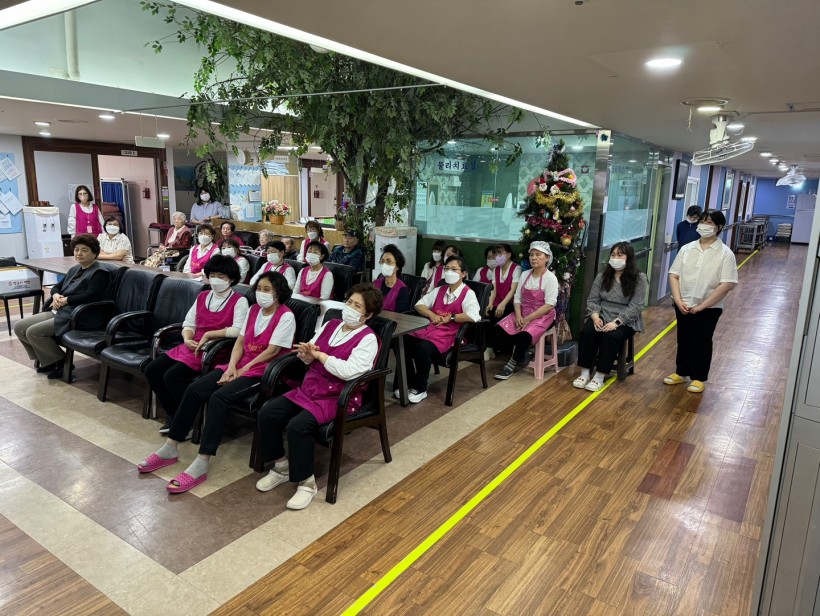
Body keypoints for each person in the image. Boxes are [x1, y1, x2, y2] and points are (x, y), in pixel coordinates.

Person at [138, 271, 296, 493]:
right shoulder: (253, 310)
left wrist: (242, 370)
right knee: (194, 389)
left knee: (219, 398)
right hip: (239, 365)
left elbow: (272, 351)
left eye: (267, 290)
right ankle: (171, 447)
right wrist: (231, 367)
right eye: (259, 289)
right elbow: (240, 342)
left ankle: (202, 461)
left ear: (279, 292)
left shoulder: (286, 316)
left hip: (263, 372)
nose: (261, 293)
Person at [255, 283, 383, 510]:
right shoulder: (331, 325)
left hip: (338, 396)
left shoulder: (368, 338)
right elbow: (311, 355)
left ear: (368, 315)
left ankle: (307, 483)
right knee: (267, 412)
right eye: (350, 302)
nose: (350, 308)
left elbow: (350, 372)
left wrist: (321, 356)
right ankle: (281, 467)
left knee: (298, 426)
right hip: (311, 388)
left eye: (357, 306)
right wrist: (306, 354)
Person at [144, 255, 248, 433]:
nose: (216, 280)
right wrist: (186, 338)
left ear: (231, 279)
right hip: (192, 346)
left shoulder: (240, 301)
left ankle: (187, 421)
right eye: (213, 275)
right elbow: (189, 323)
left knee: (172, 376)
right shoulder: (203, 296)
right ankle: (175, 414)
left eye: (221, 276)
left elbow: (238, 330)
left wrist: (211, 334)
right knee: (152, 369)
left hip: (214, 350)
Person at [14, 235, 110, 379]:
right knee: (19, 327)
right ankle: (48, 359)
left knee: (34, 332)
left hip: (80, 315)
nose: (79, 253)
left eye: (84, 250)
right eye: (76, 250)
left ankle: (62, 363)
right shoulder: (75, 269)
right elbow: (57, 287)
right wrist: (55, 296)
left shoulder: (100, 272)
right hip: (62, 310)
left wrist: (66, 300)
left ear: (95, 253)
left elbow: (92, 296)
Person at [665, 210, 738, 393]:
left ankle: (698, 377)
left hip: (709, 307)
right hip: (683, 303)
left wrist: (702, 306)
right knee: (684, 338)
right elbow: (674, 275)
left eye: (710, 223)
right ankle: (681, 372)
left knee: (702, 341)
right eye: (703, 221)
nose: (704, 225)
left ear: (719, 227)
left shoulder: (725, 254)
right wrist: (678, 300)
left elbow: (727, 284)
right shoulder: (687, 249)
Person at [403, 255, 480, 403]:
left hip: (450, 334)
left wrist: (452, 317)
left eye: (454, 269)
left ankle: (420, 388)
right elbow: (419, 304)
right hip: (431, 328)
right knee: (403, 340)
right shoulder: (440, 289)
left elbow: (473, 315)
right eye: (447, 269)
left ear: (463, 274)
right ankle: (409, 382)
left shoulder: (468, 294)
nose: (449, 272)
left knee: (423, 348)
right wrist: (431, 314)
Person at [573, 241, 647, 391]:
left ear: (629, 257)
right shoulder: (602, 276)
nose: (615, 258)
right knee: (587, 332)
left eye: (620, 255)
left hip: (626, 319)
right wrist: (595, 316)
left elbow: (636, 306)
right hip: (602, 312)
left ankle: (599, 376)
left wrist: (617, 322)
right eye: (613, 255)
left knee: (610, 336)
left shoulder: (639, 278)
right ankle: (585, 373)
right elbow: (593, 299)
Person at [493, 242, 559, 380]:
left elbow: (549, 305)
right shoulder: (525, 274)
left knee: (524, 335)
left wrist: (528, 320)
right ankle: (524, 351)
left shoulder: (550, 278)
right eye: (532, 255)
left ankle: (512, 363)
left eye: (538, 255)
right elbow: (517, 298)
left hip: (543, 315)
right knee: (498, 330)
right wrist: (518, 316)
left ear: (547, 258)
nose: (534, 258)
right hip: (523, 312)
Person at [485, 243, 522, 360]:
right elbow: (494, 290)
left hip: (510, 303)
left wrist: (502, 304)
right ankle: (489, 348)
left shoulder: (516, 268)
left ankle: (494, 347)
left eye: (500, 253)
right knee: (488, 314)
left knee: (499, 316)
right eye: (496, 254)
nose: (497, 256)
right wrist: (490, 303)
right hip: (498, 302)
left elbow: (513, 290)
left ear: (509, 254)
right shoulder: (496, 270)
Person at [373, 243, 410, 312]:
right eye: (382, 261)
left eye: (388, 261)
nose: (384, 264)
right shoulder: (375, 284)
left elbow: (401, 315)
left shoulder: (402, 290)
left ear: (397, 266)